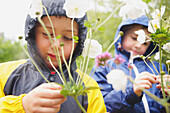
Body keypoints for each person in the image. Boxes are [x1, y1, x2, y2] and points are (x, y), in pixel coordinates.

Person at [0, 0, 106, 113]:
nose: (56, 45)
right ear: (32, 34)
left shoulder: (88, 86)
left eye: (68, 37)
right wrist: (22, 106)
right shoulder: (4, 74)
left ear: (79, 42)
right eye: (47, 34)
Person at [91, 15, 169, 113]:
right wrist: (132, 91)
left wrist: (167, 94)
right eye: (134, 38)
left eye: (145, 43)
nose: (138, 45)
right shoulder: (105, 66)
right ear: (122, 36)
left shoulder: (158, 67)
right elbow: (98, 104)